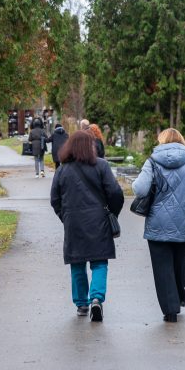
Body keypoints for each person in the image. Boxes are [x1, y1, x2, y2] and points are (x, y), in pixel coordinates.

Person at [132, 128, 185, 322]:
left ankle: (170, 310)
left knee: (162, 267)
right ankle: (179, 293)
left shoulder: (152, 162)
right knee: (179, 264)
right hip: (184, 223)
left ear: (161, 141)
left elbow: (140, 189)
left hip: (157, 224)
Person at [50, 130, 124, 321]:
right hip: (98, 221)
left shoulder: (62, 170)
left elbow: (55, 199)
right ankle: (97, 298)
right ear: (90, 146)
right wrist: (112, 214)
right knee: (99, 262)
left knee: (77, 262)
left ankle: (81, 303)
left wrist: (65, 217)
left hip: (73, 223)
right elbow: (115, 193)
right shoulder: (101, 166)